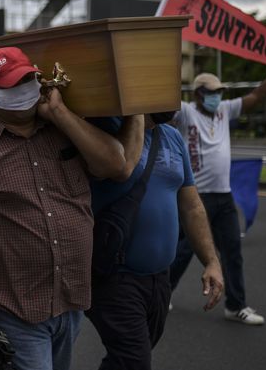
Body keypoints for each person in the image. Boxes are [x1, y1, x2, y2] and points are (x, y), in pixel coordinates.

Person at [0, 47, 129, 370]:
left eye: (27, 80)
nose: (23, 90)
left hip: (69, 301)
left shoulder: (66, 132)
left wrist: (59, 112)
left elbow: (116, 165)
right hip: (15, 310)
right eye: (11, 85)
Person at [85, 112, 224, 370]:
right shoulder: (105, 129)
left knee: (130, 357)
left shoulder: (172, 137)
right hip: (114, 277)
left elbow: (192, 206)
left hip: (160, 279)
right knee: (134, 359)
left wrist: (211, 261)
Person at [170, 68, 266, 326]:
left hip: (224, 195)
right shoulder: (186, 112)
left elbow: (256, 96)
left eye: (219, 92)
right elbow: (164, 104)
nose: (217, 97)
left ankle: (235, 305)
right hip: (196, 198)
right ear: (198, 94)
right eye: (212, 93)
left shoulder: (225, 110)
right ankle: (163, 291)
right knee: (185, 251)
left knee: (232, 251)